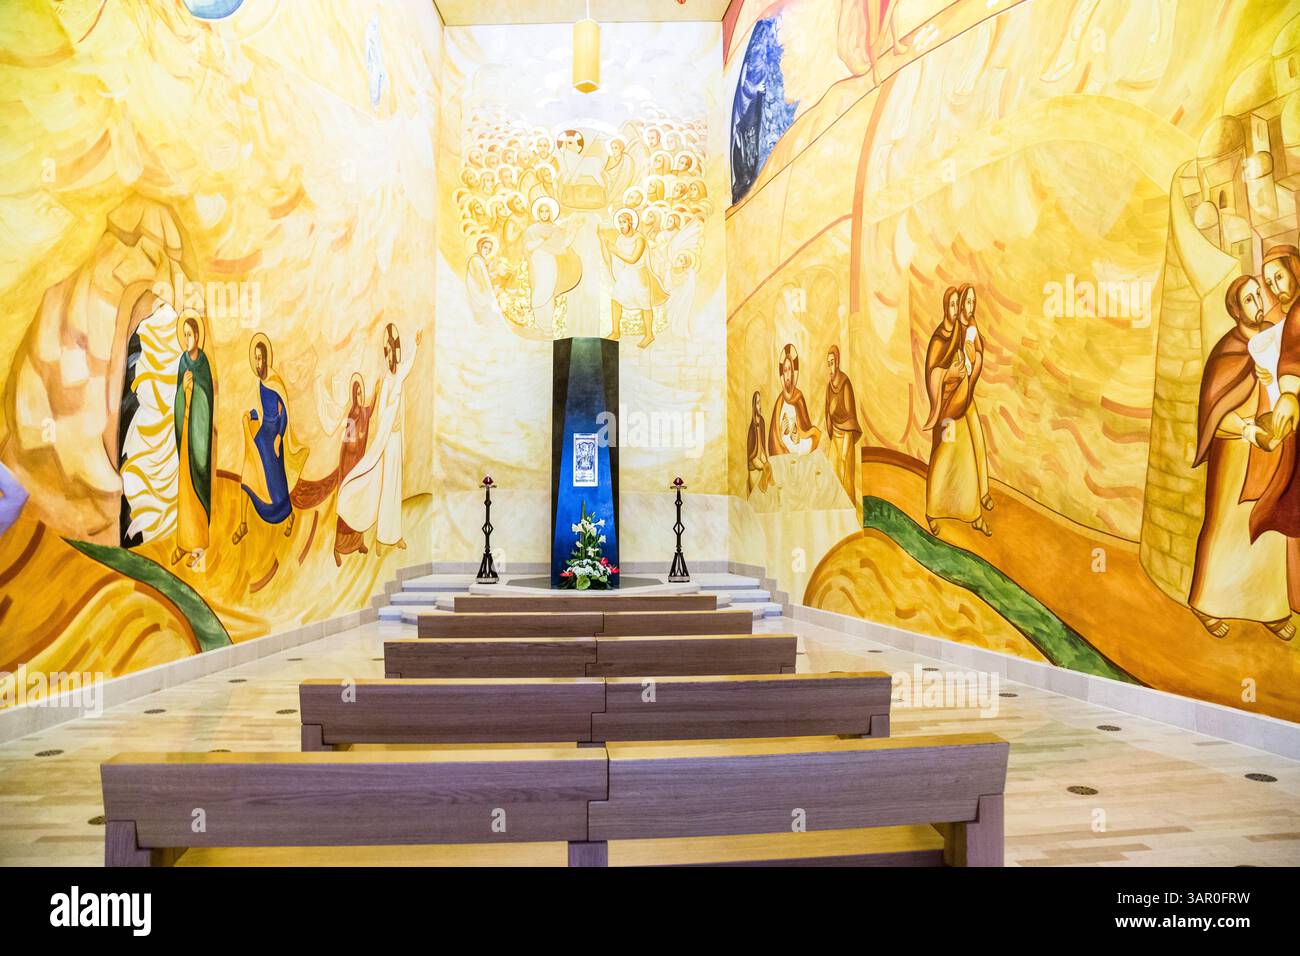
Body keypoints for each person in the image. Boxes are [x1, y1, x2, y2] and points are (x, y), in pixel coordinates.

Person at [1188, 275, 1292, 640]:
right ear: (1235, 309)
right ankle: (1207, 602)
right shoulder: (1227, 352)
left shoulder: (1273, 339)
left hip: (1272, 447)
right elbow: (1214, 415)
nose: (1258, 304)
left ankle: (1270, 609)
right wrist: (1248, 430)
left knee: (1269, 528)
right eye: (1249, 300)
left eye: (1258, 297)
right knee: (1226, 530)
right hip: (1236, 455)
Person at [336, 324, 420, 554]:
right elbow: (383, 413)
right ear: (387, 355)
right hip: (387, 443)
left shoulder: (398, 374)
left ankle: (396, 536)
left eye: (396, 351)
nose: (394, 357)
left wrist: (416, 345)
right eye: (390, 353)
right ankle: (383, 539)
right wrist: (390, 415)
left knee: (396, 489)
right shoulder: (386, 381)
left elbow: (408, 366)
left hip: (397, 440)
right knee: (386, 489)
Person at [923, 284, 991, 535]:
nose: (956, 309)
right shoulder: (940, 338)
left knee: (966, 463)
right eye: (952, 304)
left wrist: (972, 360)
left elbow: (972, 358)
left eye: (958, 304)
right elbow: (932, 373)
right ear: (946, 306)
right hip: (946, 410)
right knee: (942, 460)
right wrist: (948, 374)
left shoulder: (963, 333)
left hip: (962, 403)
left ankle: (973, 514)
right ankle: (932, 511)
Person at [233, 334, 305, 544]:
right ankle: (243, 523)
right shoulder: (260, 383)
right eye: (255, 359)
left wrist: (279, 438)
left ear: (266, 359)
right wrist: (251, 415)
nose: (258, 363)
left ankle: (288, 515)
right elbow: (264, 412)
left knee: (276, 485)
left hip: (273, 438)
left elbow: (283, 414)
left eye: (260, 358)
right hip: (263, 435)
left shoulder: (274, 382)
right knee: (248, 474)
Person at [172, 310, 215, 566]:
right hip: (186, 429)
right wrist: (183, 391)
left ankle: (197, 546)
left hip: (198, 435)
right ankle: (183, 543)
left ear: (198, 336)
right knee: (184, 489)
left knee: (197, 487)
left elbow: (207, 397)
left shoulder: (203, 363)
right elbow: (177, 397)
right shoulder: (183, 363)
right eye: (184, 334)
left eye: (190, 334)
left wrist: (194, 389)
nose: (187, 338)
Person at [824, 345, 862, 503]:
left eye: (832, 362)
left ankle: (849, 515)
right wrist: (830, 414)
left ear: (837, 362)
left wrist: (845, 450)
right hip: (836, 435)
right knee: (833, 473)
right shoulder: (828, 387)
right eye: (828, 364)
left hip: (846, 435)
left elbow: (850, 416)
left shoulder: (845, 383)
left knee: (845, 473)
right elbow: (827, 411)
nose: (830, 367)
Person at [767, 344, 821, 455]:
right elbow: (773, 437)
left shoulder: (798, 396)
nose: (787, 374)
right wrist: (780, 432)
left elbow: (805, 427)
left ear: (793, 372)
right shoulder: (779, 402)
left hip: (797, 444)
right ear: (782, 373)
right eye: (785, 370)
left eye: (789, 369)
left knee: (809, 442)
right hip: (782, 445)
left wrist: (798, 437)